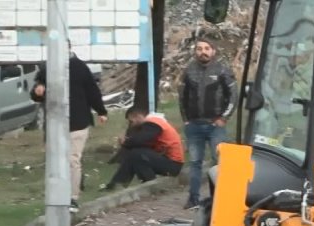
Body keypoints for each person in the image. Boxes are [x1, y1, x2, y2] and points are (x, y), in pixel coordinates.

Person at [30, 50, 107, 213]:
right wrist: (38, 90)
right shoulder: (47, 68)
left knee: (72, 159)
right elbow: (36, 92)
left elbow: (92, 91)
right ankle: (57, 195)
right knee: (56, 160)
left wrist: (101, 111)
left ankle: (73, 197)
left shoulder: (79, 67)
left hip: (77, 122)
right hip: (54, 123)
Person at [179, 38, 238, 209]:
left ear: (213, 51)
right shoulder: (189, 71)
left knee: (218, 162)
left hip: (215, 125)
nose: (202, 52)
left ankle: (220, 199)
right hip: (194, 125)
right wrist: (186, 120)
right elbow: (182, 97)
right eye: (199, 49)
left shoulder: (222, 70)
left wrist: (224, 118)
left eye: (206, 48)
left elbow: (233, 96)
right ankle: (193, 199)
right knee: (195, 163)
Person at [101, 108, 184, 189]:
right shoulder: (155, 123)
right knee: (135, 155)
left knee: (136, 154)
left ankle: (149, 184)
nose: (131, 125)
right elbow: (143, 143)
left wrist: (125, 142)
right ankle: (117, 185)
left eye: (131, 121)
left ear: (138, 116)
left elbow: (140, 140)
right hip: (168, 160)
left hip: (173, 164)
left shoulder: (153, 123)